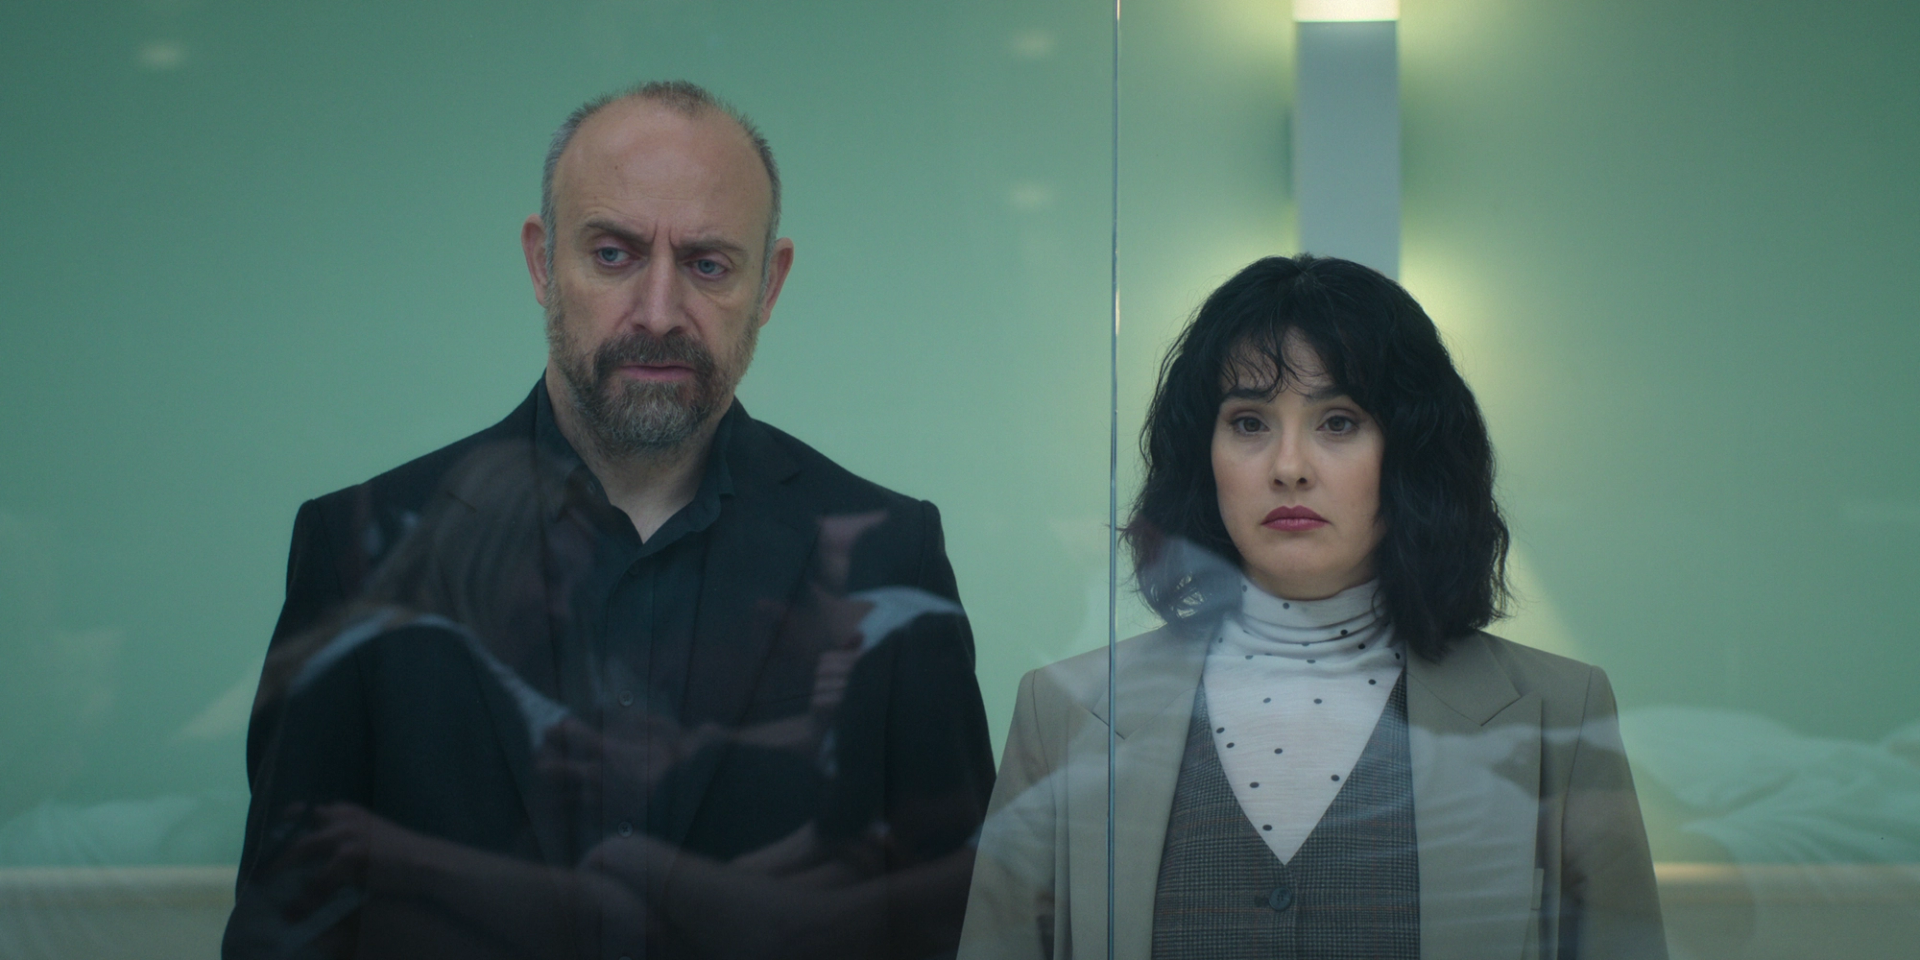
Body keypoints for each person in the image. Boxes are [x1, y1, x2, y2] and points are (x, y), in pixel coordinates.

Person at [226, 80, 994, 959]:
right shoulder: (356, 554)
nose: (659, 312)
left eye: (708, 264)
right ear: (541, 262)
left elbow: (956, 928)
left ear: (770, 283)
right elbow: (287, 931)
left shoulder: (890, 554)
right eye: (614, 254)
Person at [957, 255, 1667, 960]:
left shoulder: (1559, 714)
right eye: (1248, 423)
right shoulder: (1062, 714)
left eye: (1338, 421)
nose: (1289, 466)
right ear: (1203, 455)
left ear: (1408, 452)